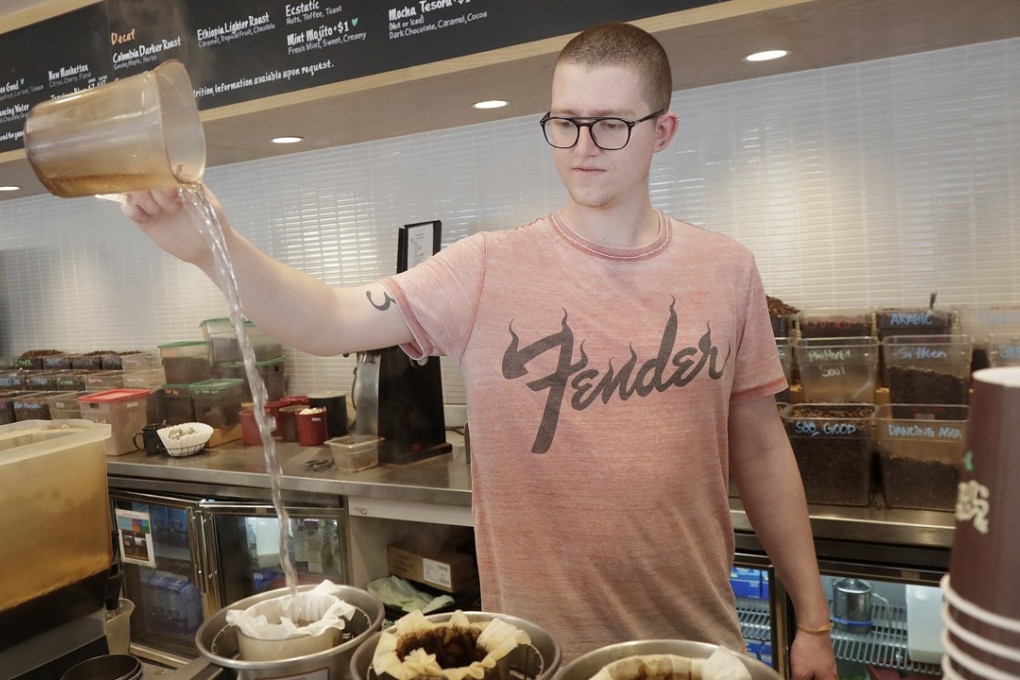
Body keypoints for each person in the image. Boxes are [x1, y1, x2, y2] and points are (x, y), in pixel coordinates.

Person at [125, 22, 837, 679]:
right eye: (565, 121)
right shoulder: (487, 268)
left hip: (693, 653)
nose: (583, 145)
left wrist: (814, 622)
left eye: (611, 124)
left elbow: (762, 447)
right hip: (532, 656)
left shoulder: (726, 270)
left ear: (663, 130)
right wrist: (210, 248)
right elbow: (329, 318)